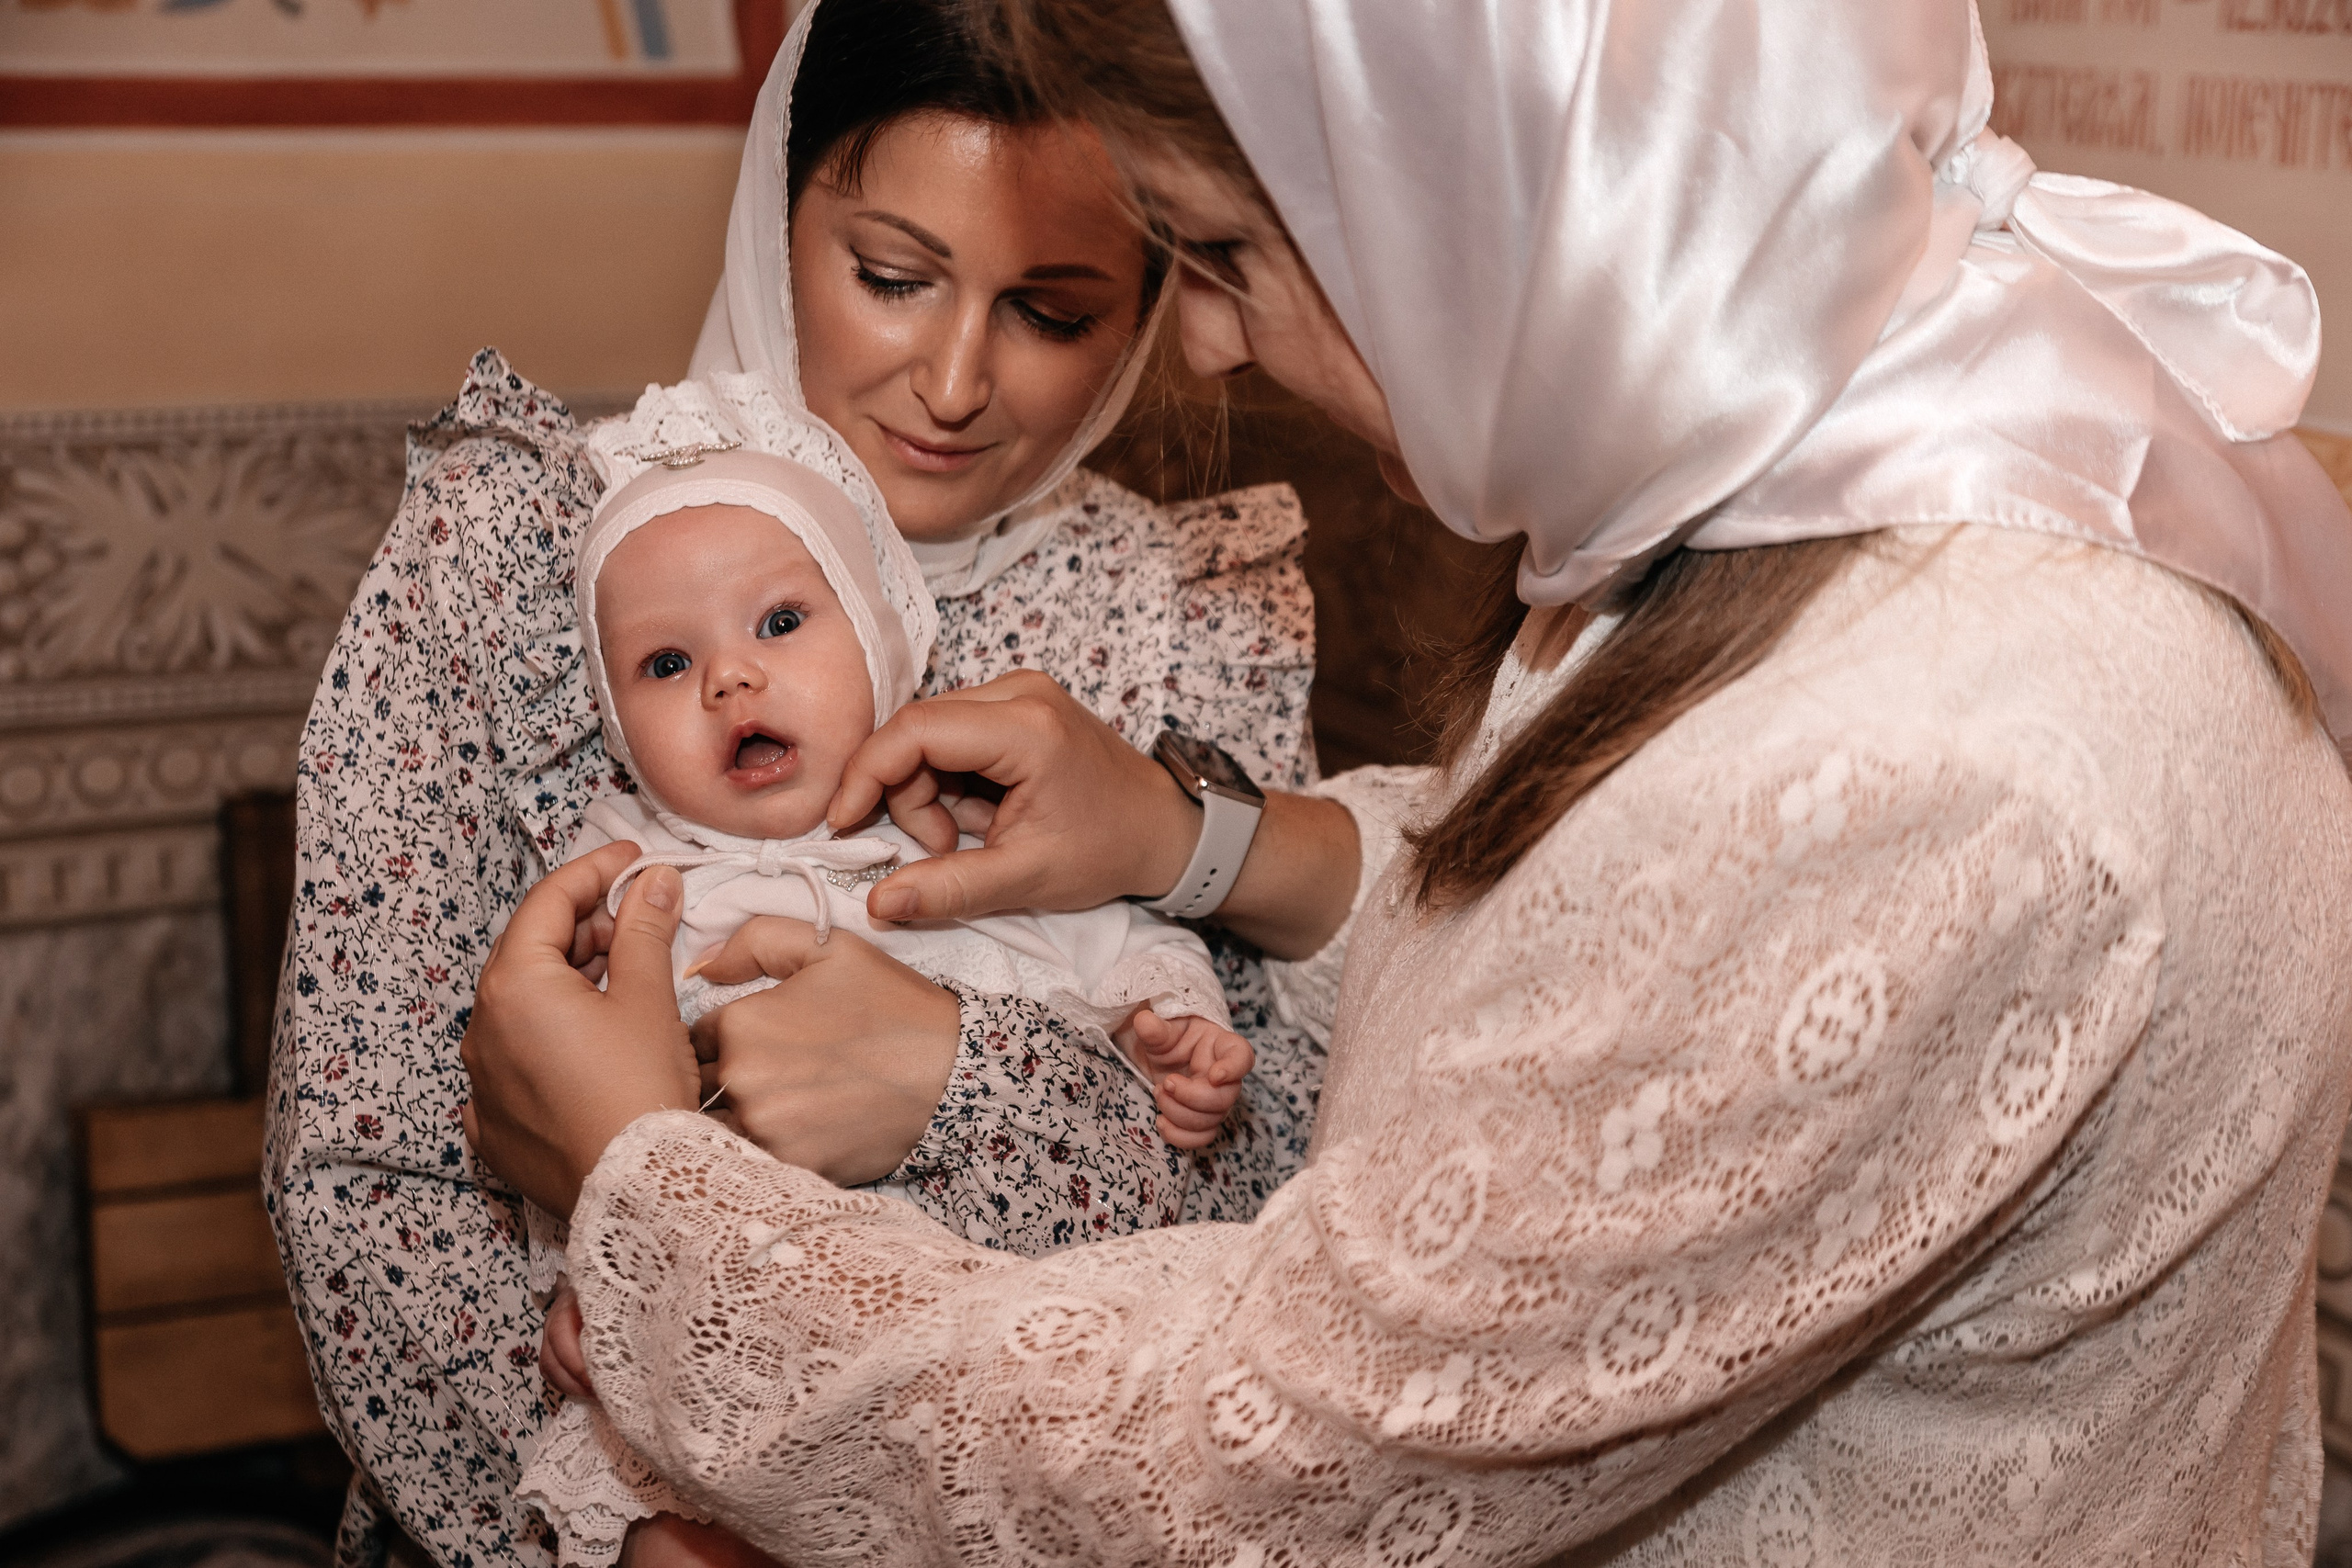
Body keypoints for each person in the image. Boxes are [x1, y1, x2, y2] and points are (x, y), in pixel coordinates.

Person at [458, 0, 2352, 1562]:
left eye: (1224, 253)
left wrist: (648, 1188)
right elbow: (1575, 923)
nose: (1207, 338)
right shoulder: (1845, 471)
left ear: (1522, 191)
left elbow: (1258, 1462)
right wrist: (1196, 841)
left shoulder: (1927, 769)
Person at [263, 1, 1322, 1562]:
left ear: (1159, 298)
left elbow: (1272, 1203)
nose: (953, 381)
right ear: (775, 211)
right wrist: (631, 1538)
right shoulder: (520, 558)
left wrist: (957, 1081)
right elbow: (367, 1173)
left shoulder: (1188, 611)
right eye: (892, 276)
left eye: (1051, 310)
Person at [515, 399, 1255, 1567]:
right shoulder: (636, 895)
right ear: (616, 729)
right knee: (669, 1538)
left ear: (879, 639)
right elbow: (585, 1119)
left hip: (999, 1328)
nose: (729, 679)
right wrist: (600, 1278)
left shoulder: (969, 835)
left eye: (780, 622)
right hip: (757, 1340)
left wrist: (1171, 1022)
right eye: (666, 663)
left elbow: (1121, 938)